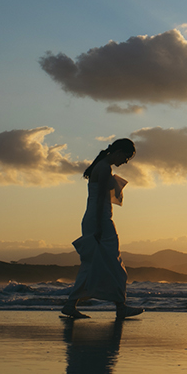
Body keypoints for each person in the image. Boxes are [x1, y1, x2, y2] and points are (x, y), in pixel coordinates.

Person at [61, 137, 144, 320]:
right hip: (100, 219)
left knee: (92, 264)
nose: (125, 162)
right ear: (118, 152)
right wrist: (99, 225)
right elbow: (100, 199)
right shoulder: (105, 168)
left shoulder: (101, 165)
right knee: (115, 264)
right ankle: (121, 306)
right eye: (126, 157)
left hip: (94, 217)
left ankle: (71, 304)